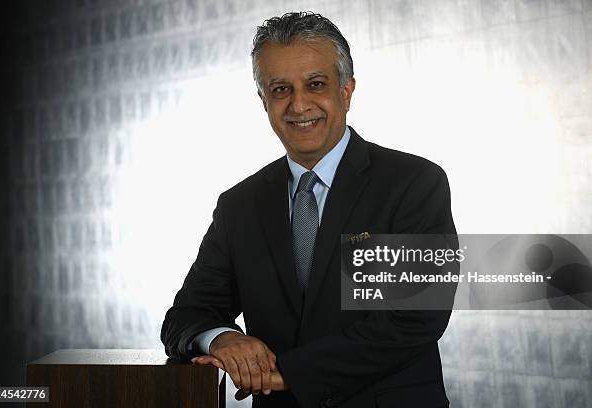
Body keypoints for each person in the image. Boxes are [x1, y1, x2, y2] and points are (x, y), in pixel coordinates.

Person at [161, 11, 456, 408]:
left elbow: (414, 318)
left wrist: (289, 374)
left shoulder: (413, 183)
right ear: (263, 100)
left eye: (315, 84)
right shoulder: (238, 206)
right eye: (280, 89)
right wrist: (223, 339)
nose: (299, 105)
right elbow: (187, 315)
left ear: (346, 91)